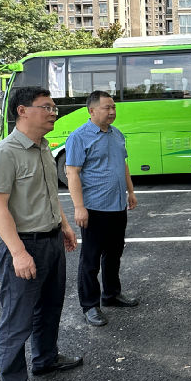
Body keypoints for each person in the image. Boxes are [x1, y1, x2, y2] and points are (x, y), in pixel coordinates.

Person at [0, 86, 83, 381]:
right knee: (17, 318)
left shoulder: (43, 148)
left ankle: (45, 359)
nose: (54, 113)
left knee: (50, 307)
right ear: (22, 111)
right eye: (47, 107)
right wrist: (18, 253)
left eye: (54, 107)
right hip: (25, 245)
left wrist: (64, 225)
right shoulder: (4, 153)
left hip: (52, 240)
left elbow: (50, 195)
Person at [65, 91, 139, 328]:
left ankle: (111, 295)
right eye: (107, 107)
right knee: (91, 259)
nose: (112, 112)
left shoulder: (117, 134)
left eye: (113, 107)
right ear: (92, 110)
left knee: (114, 254)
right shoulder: (79, 137)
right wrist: (79, 207)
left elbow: (123, 164)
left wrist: (131, 191)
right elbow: (72, 173)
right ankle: (90, 305)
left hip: (117, 206)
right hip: (94, 208)